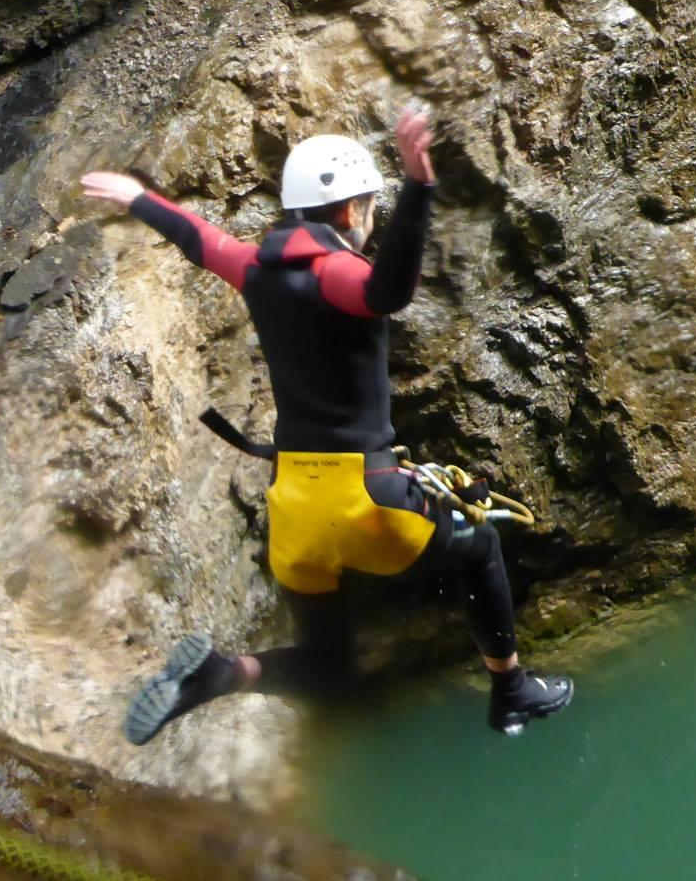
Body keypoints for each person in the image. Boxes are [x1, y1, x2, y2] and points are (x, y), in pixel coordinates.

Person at [81, 108, 574, 742]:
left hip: (294, 508)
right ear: (348, 211)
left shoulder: (254, 267)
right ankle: (511, 691)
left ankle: (217, 675)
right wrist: (419, 186)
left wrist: (139, 200)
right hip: (364, 499)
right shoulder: (337, 272)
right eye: (369, 209)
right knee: (479, 546)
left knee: (327, 668)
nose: (369, 223)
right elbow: (388, 292)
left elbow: (199, 240)